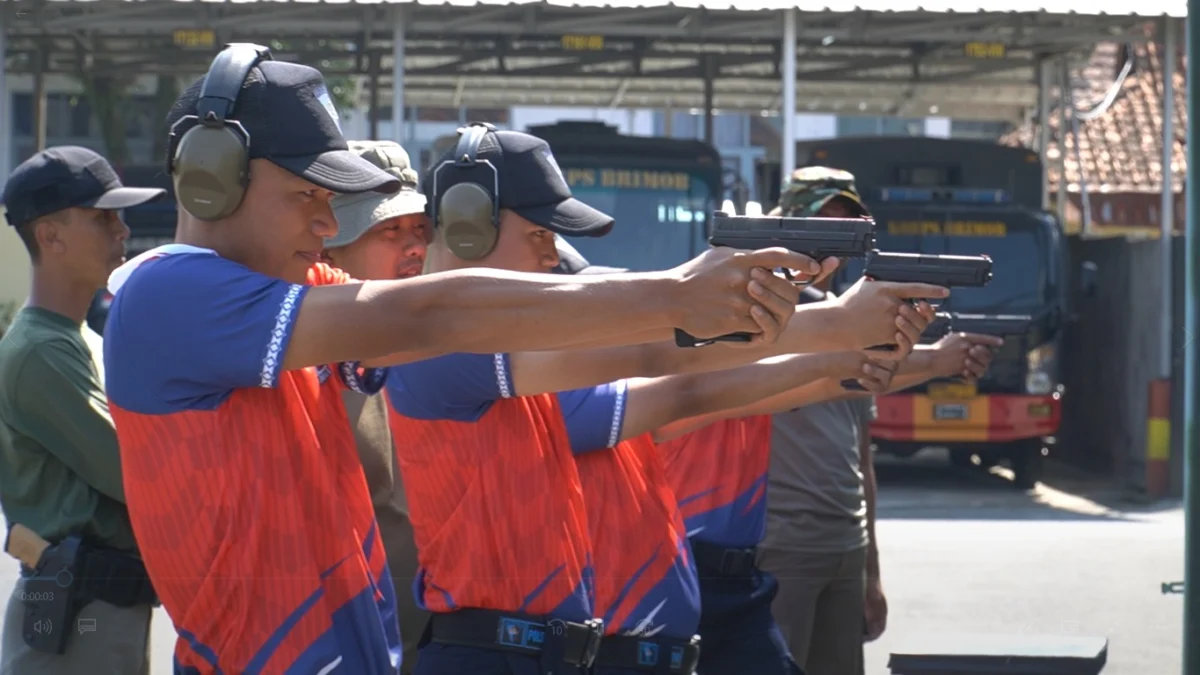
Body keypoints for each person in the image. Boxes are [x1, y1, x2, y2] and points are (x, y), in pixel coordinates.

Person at [101, 48, 818, 675]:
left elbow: (453, 319)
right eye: (306, 196)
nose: (325, 224)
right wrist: (676, 294)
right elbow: (426, 313)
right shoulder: (167, 290)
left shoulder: (280, 292)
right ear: (209, 177)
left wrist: (690, 301)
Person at [381, 126, 947, 675]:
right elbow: (662, 360)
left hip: (536, 649)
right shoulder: (440, 347)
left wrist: (836, 339)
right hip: (498, 650)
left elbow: (678, 370)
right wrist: (834, 326)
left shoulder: (497, 357)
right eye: (539, 235)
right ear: (466, 228)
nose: (552, 256)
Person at [755, 167, 1004, 675]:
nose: (833, 241)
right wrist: (936, 359)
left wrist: (870, 573)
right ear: (786, 226)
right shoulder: (755, 313)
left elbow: (861, 457)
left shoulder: (845, 318)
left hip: (843, 545)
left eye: (846, 226)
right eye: (823, 223)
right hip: (779, 548)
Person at [0, 146, 165, 675]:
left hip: (101, 609)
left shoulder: (79, 337)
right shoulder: (39, 351)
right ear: (50, 236)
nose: (122, 230)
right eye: (103, 217)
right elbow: (138, 470)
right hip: (80, 617)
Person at [325, 139, 432, 673]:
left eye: (420, 230)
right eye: (390, 231)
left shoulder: (415, 349)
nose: (414, 247)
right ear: (329, 251)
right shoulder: (311, 366)